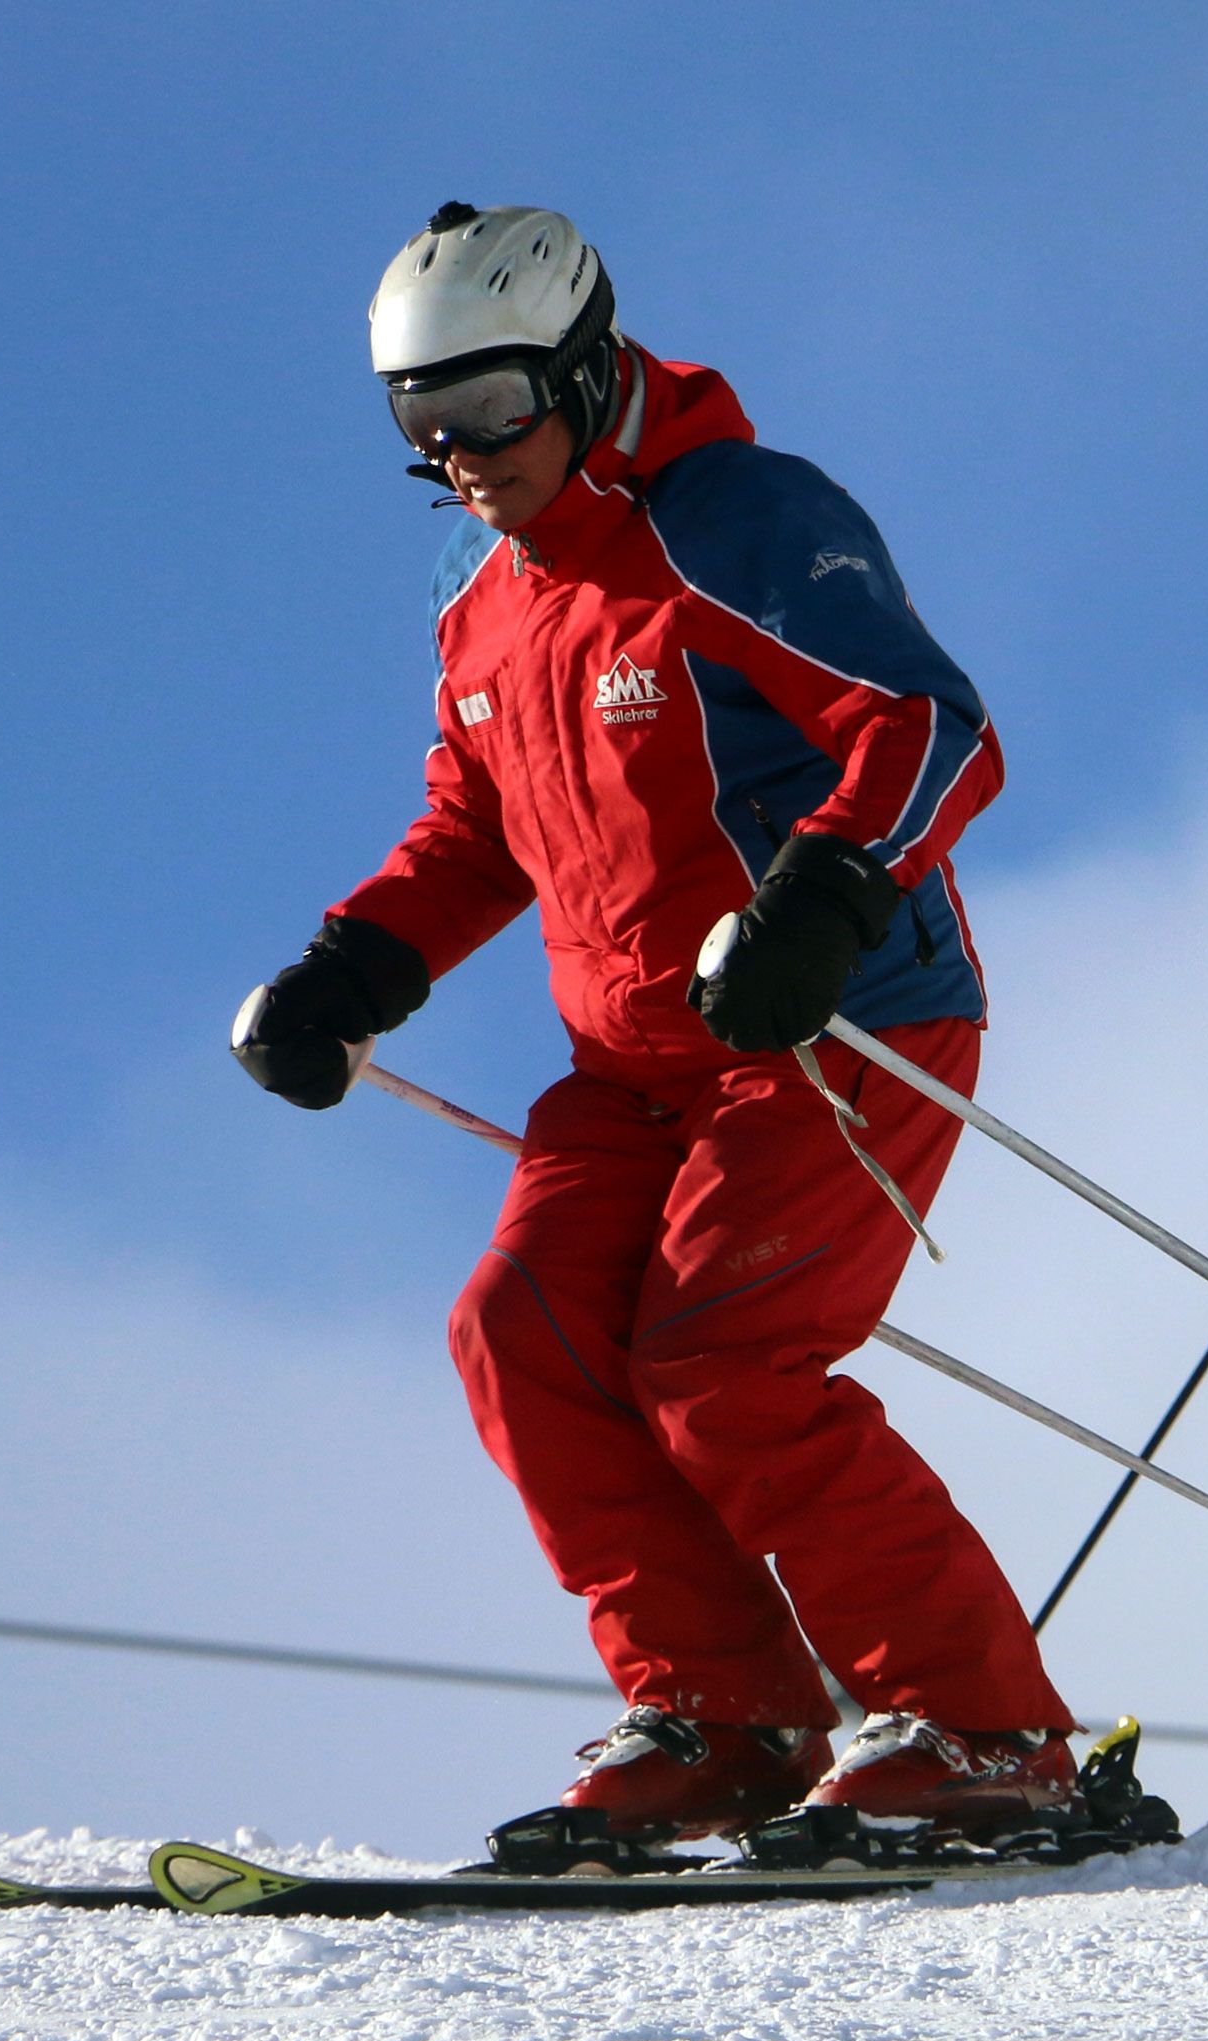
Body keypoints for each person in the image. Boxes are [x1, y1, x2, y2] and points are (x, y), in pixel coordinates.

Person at [231, 204, 1073, 1855]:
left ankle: (989, 1732)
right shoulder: (486, 608)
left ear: (583, 366)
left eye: (487, 406)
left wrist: (819, 907)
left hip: (837, 1027)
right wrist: (349, 972)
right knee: (519, 1332)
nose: (459, 454)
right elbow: (475, 832)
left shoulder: (733, 518)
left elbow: (929, 726)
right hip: (631, 1064)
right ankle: (730, 1714)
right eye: (420, 423)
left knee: (722, 1362)